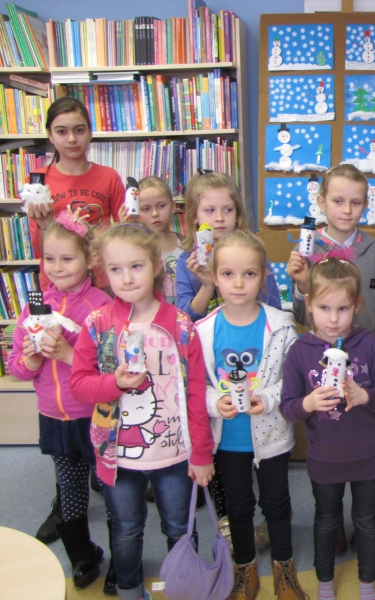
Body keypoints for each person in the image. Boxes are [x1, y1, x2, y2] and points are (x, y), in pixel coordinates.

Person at [70, 223, 214, 600]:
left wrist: (201, 453)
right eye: (115, 269)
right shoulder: (98, 324)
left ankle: (184, 588)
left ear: (155, 265)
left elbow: (196, 395)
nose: (127, 277)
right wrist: (113, 383)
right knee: (126, 530)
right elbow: (79, 384)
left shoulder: (181, 326)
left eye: (136, 266)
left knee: (180, 529)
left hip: (174, 454)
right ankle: (130, 590)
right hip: (118, 456)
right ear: (103, 271)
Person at [196, 230, 307, 600]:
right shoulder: (203, 330)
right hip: (229, 439)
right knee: (238, 506)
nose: (239, 283)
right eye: (228, 274)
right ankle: (245, 570)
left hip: (271, 436)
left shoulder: (281, 325)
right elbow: (196, 386)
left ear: (263, 277)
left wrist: (269, 398)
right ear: (215, 277)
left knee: (276, 504)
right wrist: (215, 402)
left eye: (249, 274)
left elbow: (292, 380)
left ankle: (284, 570)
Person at [280, 252, 375, 600]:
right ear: (308, 304)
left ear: (357, 306)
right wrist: (307, 404)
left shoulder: (369, 344)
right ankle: (325, 586)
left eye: (343, 308)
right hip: (325, 457)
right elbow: (287, 407)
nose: (333, 319)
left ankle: (366, 586)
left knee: (367, 520)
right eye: (324, 308)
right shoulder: (300, 351)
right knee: (326, 520)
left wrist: (365, 396)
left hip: (368, 455)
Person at [8, 213, 112, 588]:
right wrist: (31, 361)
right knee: (69, 492)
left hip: (95, 416)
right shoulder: (34, 306)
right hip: (54, 418)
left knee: (113, 489)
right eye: (49, 259)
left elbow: (111, 366)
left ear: (90, 259)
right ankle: (82, 556)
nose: (57, 267)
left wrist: (69, 354)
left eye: (67, 258)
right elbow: (16, 365)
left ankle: (122, 560)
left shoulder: (101, 305)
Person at [27, 96, 125, 288]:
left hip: (101, 283)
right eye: (61, 131)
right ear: (50, 135)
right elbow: (39, 250)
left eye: (79, 130)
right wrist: (43, 224)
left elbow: (126, 236)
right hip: (57, 284)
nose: (72, 139)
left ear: (90, 132)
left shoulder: (109, 176)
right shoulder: (39, 182)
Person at [288, 164, 375, 334]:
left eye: (355, 203)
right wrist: (302, 285)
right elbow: (301, 318)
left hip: (369, 347)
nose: (347, 210)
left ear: (365, 205)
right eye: (338, 201)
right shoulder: (306, 250)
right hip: (324, 348)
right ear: (322, 203)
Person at [176, 169, 281, 321]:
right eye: (210, 210)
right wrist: (208, 285)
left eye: (228, 210)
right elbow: (183, 319)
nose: (220, 218)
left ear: (237, 214)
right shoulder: (187, 261)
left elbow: (273, 306)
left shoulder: (253, 252)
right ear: (194, 216)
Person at [132, 176, 184, 305]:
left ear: (173, 207)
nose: (155, 213)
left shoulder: (186, 244)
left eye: (161, 206)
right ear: (136, 213)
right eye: (146, 209)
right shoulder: (136, 250)